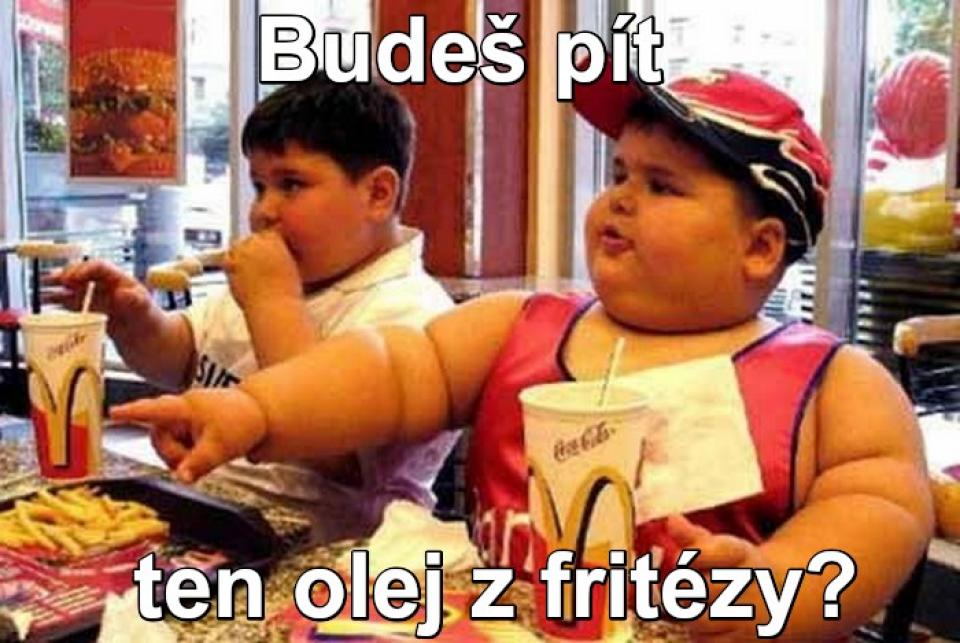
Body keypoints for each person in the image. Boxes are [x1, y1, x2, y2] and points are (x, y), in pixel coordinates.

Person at [112, 59, 933, 639]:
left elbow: (884, 509)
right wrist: (258, 408)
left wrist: (774, 593)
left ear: (760, 247)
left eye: (661, 185)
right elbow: (393, 370)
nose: (619, 199)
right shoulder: (525, 324)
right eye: (620, 174)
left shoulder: (832, 383)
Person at [48, 73, 459, 543]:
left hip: (327, 555)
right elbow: (183, 359)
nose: (263, 210)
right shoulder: (286, 274)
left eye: (291, 184)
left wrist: (274, 303)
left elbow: (337, 457)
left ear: (377, 194)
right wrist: (136, 320)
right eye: (260, 186)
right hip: (208, 517)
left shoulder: (412, 311)